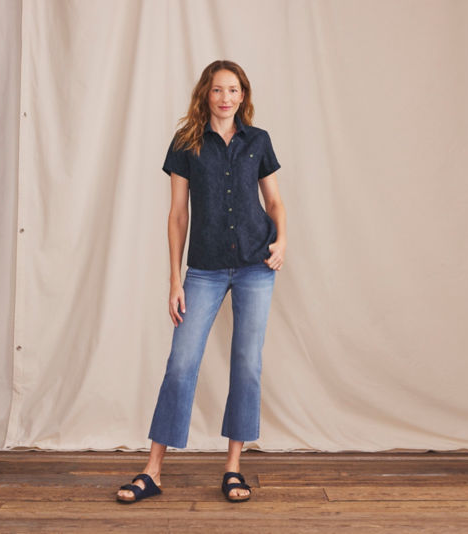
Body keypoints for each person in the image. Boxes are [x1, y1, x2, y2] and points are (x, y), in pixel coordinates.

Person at [116, 60, 287, 504]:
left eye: (233, 90)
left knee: (246, 364)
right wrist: (174, 279)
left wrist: (282, 240)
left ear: (243, 96)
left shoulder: (258, 141)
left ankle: (233, 468)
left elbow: (274, 201)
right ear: (205, 95)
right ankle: (153, 470)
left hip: (255, 265)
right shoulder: (186, 143)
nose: (225, 97)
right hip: (205, 268)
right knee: (181, 363)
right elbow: (177, 215)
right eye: (217, 90)